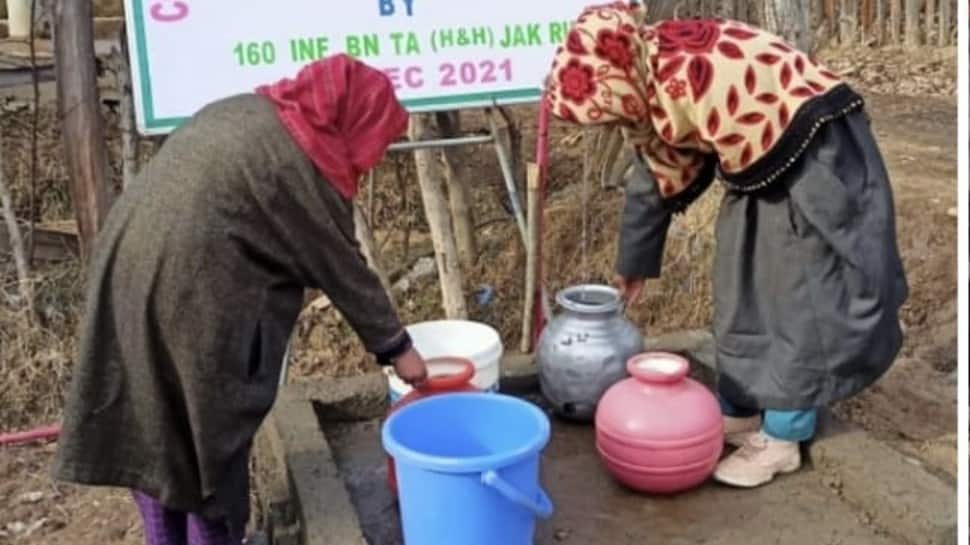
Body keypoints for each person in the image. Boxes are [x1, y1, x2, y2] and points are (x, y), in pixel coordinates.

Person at [52, 54, 429, 544]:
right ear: (352, 120)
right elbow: (344, 269)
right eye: (375, 139)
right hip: (192, 296)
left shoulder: (251, 112)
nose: (373, 156)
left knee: (151, 423)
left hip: (125, 268)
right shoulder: (299, 162)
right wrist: (400, 351)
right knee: (210, 443)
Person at [545, 2, 907, 488]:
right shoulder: (647, 79)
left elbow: (721, 136)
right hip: (758, 161)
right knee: (739, 281)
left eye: (605, 114)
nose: (609, 125)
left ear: (617, 78)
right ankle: (742, 409)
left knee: (796, 291)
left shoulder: (688, 72)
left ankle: (783, 436)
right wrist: (635, 263)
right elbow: (656, 173)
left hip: (813, 152)